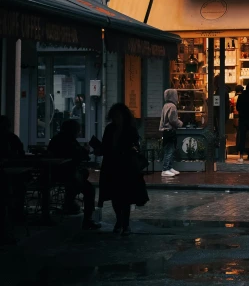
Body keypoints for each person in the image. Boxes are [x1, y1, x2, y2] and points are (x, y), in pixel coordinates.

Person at [98, 103, 149, 236]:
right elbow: (105, 146)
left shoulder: (130, 130)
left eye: (118, 116)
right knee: (115, 195)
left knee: (125, 196)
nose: (116, 119)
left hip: (126, 166)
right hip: (112, 165)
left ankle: (124, 223)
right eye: (114, 116)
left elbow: (134, 145)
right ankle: (119, 220)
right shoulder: (110, 129)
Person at [48, 119, 100, 231]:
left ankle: (69, 203)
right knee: (89, 189)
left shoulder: (57, 139)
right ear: (74, 130)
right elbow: (77, 155)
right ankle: (87, 219)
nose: (79, 132)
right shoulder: (69, 140)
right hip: (66, 174)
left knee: (80, 178)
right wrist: (85, 151)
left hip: (56, 173)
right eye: (78, 130)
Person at [159, 89, 183, 177]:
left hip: (165, 131)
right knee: (169, 150)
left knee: (169, 149)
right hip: (169, 130)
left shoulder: (166, 105)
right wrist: (180, 123)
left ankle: (169, 167)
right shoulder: (172, 106)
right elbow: (172, 119)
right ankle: (165, 169)